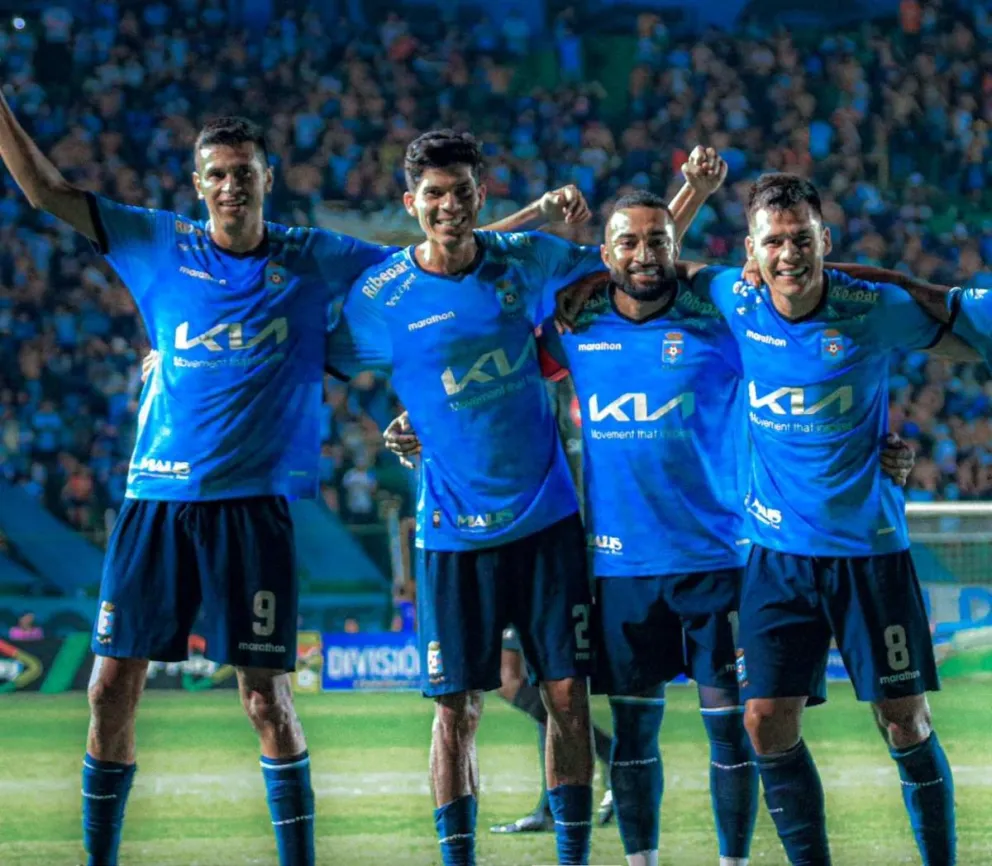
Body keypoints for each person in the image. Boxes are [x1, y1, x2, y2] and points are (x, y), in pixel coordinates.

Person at [0, 93, 572, 866]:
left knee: (266, 700)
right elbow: (45, 192)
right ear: (197, 184)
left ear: (267, 178)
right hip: (155, 501)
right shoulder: (153, 243)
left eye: (245, 172)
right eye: (217, 174)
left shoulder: (315, 256)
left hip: (255, 505)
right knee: (108, 689)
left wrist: (532, 217)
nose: (232, 185)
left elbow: (435, 270)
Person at [383, 150, 918, 866]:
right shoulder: (576, 328)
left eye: (657, 241)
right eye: (626, 244)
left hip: (722, 559)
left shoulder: (721, 322)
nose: (643, 254)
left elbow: (808, 357)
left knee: (732, 732)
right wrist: (423, 416)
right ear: (603, 257)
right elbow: (489, 366)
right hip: (621, 567)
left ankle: (733, 861)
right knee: (634, 735)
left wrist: (880, 440)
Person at [325, 129, 613, 866]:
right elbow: (307, 349)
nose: (448, 206)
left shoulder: (529, 260)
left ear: (481, 196)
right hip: (453, 536)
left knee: (567, 697)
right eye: (434, 194)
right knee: (456, 710)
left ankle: (574, 855)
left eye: (461, 192)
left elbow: (629, 269)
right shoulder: (382, 294)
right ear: (409, 203)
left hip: (547, 520)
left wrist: (689, 203)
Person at [669, 171, 963, 865]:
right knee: (764, 722)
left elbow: (954, 331)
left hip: (869, 550)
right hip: (775, 557)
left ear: (825, 239)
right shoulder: (734, 299)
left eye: (802, 238)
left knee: (904, 721)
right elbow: (653, 258)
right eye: (773, 241)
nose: (789, 253)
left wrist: (902, 448)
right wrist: (691, 193)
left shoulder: (872, 309)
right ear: (752, 249)